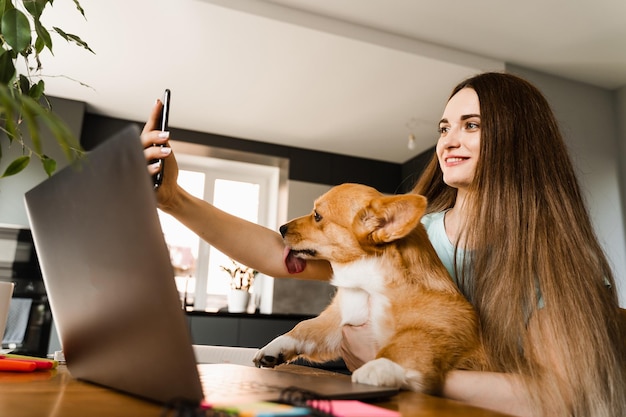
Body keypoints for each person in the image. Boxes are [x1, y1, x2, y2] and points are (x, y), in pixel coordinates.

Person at [140, 72, 626, 417]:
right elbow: (279, 254)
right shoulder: (417, 237)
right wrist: (175, 199)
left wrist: (396, 365)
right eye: (444, 127)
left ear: (519, 139)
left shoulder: (557, 262)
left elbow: (565, 400)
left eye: (471, 125)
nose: (448, 141)